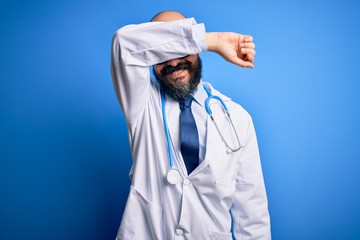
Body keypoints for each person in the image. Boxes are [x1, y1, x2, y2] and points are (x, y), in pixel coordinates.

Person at [110, 10, 271, 240]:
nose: (173, 62)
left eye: (180, 48)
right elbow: (122, 43)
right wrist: (211, 41)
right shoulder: (141, 103)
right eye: (164, 50)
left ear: (194, 48)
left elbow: (253, 217)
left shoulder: (237, 118)